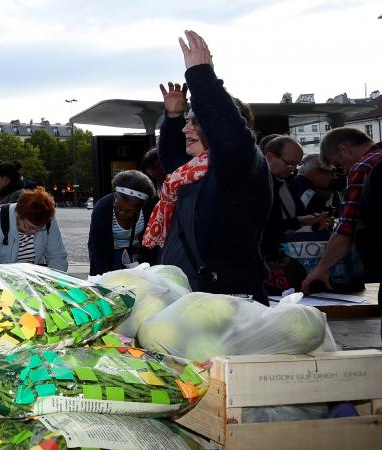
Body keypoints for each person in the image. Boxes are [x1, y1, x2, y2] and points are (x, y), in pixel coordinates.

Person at [143, 31, 271, 301]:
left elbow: (230, 141)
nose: (186, 129)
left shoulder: (240, 164)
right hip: (188, 294)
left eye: (196, 122)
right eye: (187, 122)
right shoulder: (193, 171)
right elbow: (170, 159)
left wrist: (202, 76)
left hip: (224, 297)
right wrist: (174, 116)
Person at [301, 127, 382, 294]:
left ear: (344, 150)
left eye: (339, 165)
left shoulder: (363, 166)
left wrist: (321, 268)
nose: (344, 172)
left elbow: (346, 229)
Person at [260, 135, 330, 258]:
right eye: (289, 163)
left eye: (297, 164)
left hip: (285, 253)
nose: (293, 169)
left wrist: (314, 224)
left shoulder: (289, 183)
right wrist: (301, 221)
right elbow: (263, 226)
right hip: (267, 256)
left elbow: (296, 218)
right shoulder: (256, 186)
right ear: (270, 157)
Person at [0, 187, 68, 271]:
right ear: (18, 215)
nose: (34, 232)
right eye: (29, 227)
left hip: (26, 276)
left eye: (39, 228)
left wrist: (57, 284)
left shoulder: (48, 220)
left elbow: (57, 256)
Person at [87, 170, 159, 275]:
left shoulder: (150, 208)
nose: (122, 213)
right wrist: (104, 278)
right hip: (110, 254)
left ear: (141, 207)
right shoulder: (102, 208)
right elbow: (98, 249)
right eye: (117, 207)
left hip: (138, 255)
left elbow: (154, 246)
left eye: (129, 211)